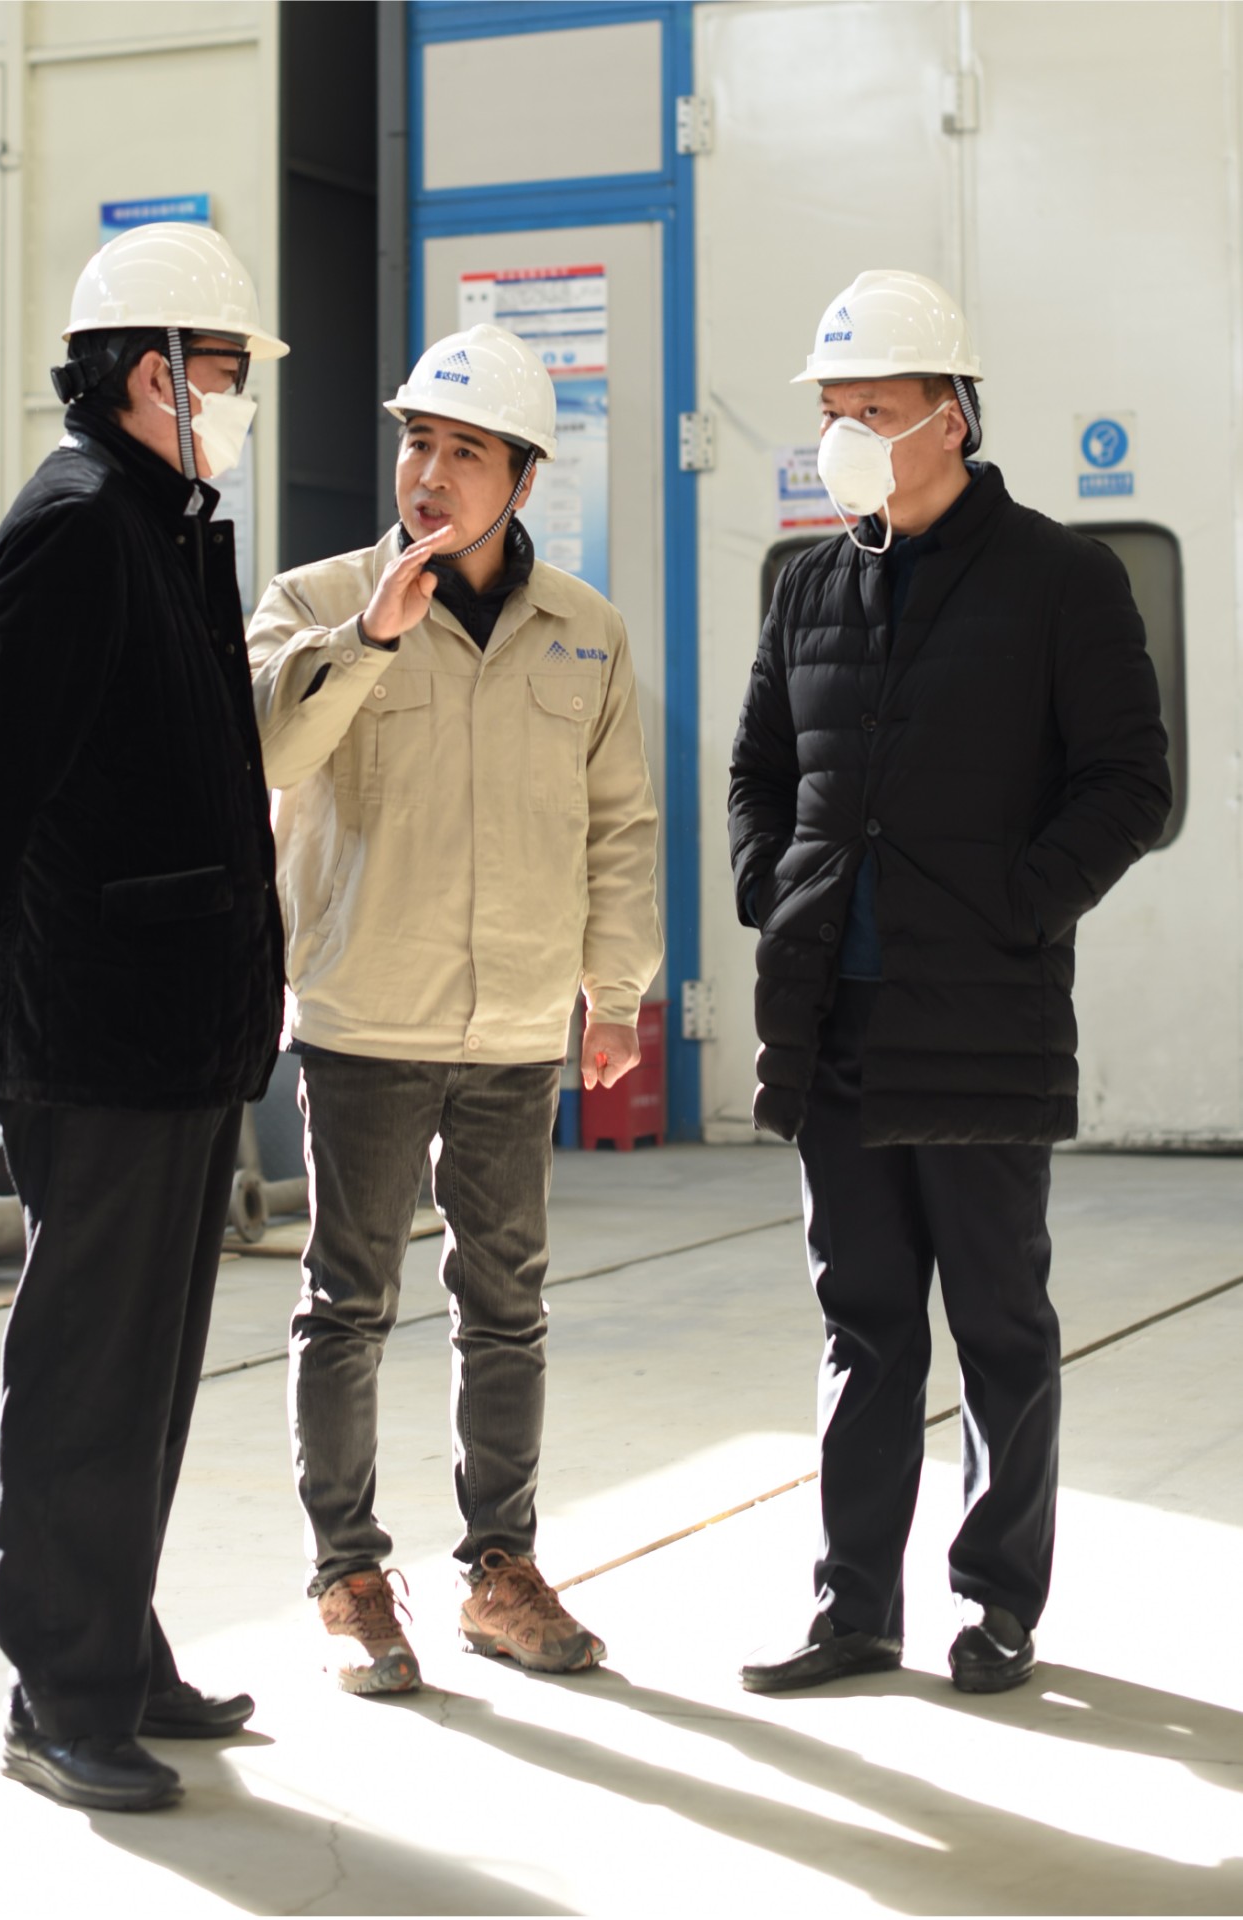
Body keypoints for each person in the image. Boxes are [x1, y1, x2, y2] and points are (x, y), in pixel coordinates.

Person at [727, 270, 1171, 1696]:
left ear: (953, 417)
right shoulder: (811, 584)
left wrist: (1019, 908)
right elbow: (758, 771)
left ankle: (997, 1602)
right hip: (834, 1021)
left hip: (980, 1018)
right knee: (863, 1328)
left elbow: (1129, 782)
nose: (844, 435)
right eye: (832, 410)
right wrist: (773, 889)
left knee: (997, 1326)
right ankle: (854, 1609)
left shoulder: (1060, 580)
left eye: (874, 409)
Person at [0, 222, 287, 1809]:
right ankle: (58, 1696)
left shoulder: (164, 524)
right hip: (100, 1025)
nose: (241, 397)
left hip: (181, 1023)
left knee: (150, 1373)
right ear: (152, 373)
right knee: (89, 1377)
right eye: (227, 370)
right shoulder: (75, 527)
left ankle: (120, 1649)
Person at [246, 323, 662, 1694]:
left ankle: (501, 1571)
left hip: (517, 1022)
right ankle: (349, 1576)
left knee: (507, 1306)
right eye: (416, 442)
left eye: (465, 450)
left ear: (524, 479)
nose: (429, 472)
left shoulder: (586, 633)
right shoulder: (314, 598)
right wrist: (370, 637)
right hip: (367, 1011)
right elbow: (270, 748)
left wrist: (615, 992)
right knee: (347, 1301)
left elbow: (619, 823)